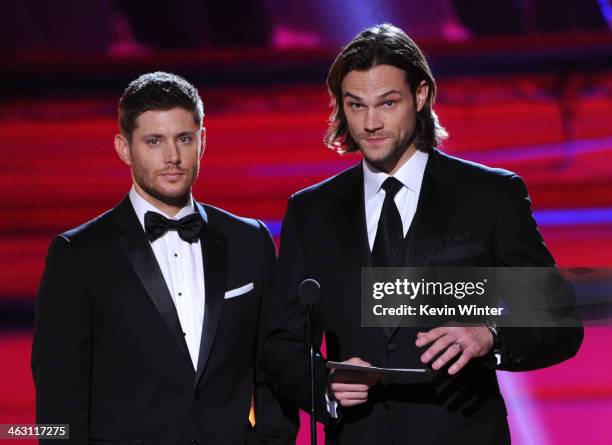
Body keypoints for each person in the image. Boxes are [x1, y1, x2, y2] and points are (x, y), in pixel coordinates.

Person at [263, 24, 583, 444]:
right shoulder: (310, 211)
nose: (371, 123)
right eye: (356, 105)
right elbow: (280, 342)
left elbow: (557, 320)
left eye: (387, 103)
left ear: (420, 95)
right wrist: (324, 380)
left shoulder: (490, 195)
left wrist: (490, 335)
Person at [31, 72, 297, 444]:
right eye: (154, 141)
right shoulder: (78, 254)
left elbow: (272, 365)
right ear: (124, 148)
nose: (172, 157)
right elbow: (59, 399)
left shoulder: (249, 240)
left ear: (202, 142)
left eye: (184, 139)